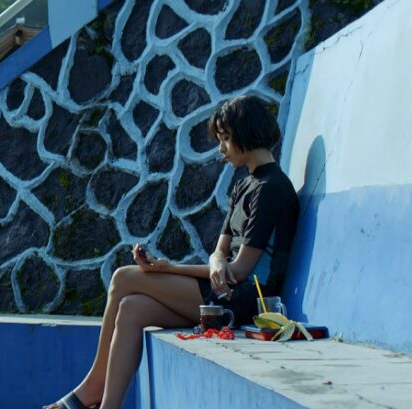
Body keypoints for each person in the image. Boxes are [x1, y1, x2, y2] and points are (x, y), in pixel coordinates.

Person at [44, 94, 299, 409]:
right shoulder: (243, 185)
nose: (221, 148)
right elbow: (219, 253)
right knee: (132, 308)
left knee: (123, 278)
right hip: (221, 292)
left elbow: (239, 271)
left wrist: (167, 267)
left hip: (244, 300)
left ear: (246, 132)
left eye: (225, 138)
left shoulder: (271, 189)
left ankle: (90, 389)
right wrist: (215, 261)